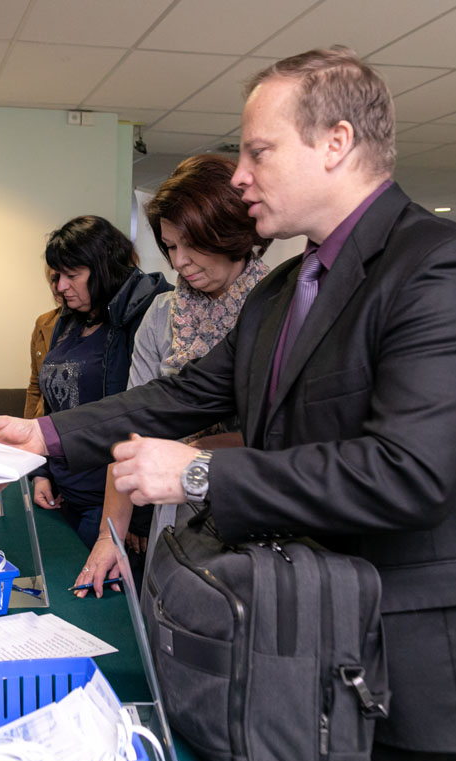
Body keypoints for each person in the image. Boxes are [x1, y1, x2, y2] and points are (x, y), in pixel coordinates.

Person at [0, 47, 456, 761]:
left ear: (336, 142)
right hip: (306, 631)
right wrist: (44, 435)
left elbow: (410, 473)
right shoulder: (284, 288)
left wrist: (198, 471)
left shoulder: (445, 268)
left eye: (257, 151)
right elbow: (182, 395)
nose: (238, 174)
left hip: (418, 655)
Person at [72, 154, 271, 597]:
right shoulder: (161, 316)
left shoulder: (277, 309)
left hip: (253, 516)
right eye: (170, 247)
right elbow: (134, 428)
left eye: (191, 245)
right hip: (174, 516)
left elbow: (282, 436)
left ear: (230, 232)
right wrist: (111, 535)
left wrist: (194, 449)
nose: (179, 262)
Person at [32, 215, 171, 548]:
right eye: (57, 276)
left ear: (104, 268)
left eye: (72, 275)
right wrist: (42, 472)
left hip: (109, 503)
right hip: (65, 494)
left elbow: (148, 419)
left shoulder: (145, 316)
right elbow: (53, 407)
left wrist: (137, 515)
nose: (60, 287)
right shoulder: (68, 321)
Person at [24, 265, 64, 418]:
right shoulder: (43, 323)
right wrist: (25, 426)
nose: (57, 286)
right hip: (41, 423)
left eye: (65, 277)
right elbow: (35, 387)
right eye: (53, 279)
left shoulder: (92, 326)